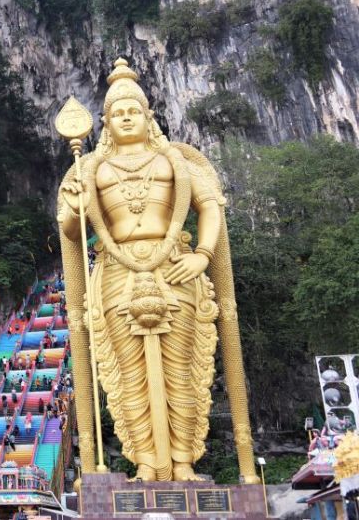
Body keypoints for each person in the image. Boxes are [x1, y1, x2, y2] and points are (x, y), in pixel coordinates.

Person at [57, 58, 259, 483]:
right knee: (128, 374)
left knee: (181, 367)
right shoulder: (90, 169)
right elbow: (72, 233)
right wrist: (75, 204)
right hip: (116, 271)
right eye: (117, 113)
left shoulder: (176, 161)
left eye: (133, 111)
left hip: (174, 268)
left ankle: (183, 460)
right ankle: (145, 461)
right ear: (105, 123)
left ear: (149, 116)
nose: (126, 118)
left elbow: (209, 207)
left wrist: (202, 254)